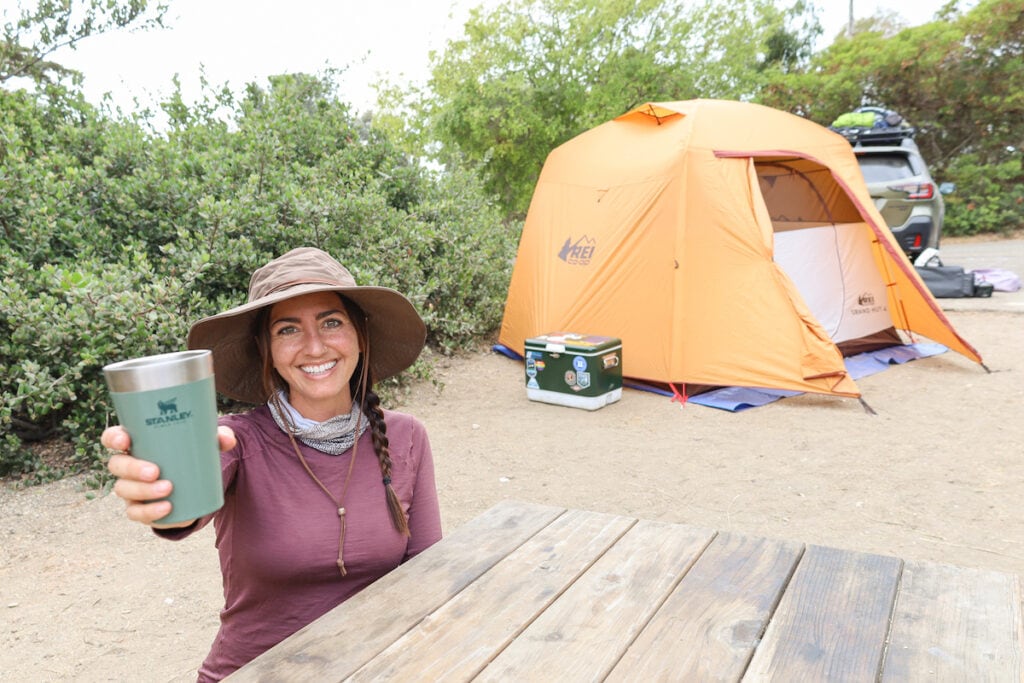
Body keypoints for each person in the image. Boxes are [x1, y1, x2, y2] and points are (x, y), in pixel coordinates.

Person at [102, 247, 442, 681]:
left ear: (360, 335)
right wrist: (162, 491)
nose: (314, 346)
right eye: (288, 330)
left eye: (332, 322)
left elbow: (429, 573)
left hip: (375, 668)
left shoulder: (407, 435)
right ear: (268, 350)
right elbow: (185, 503)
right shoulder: (234, 441)